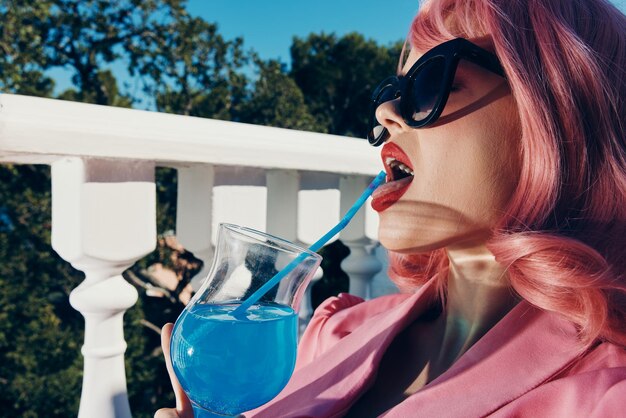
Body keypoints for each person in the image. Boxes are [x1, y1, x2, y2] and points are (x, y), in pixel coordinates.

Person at [155, 0, 626, 416]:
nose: (384, 114)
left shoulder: (603, 399)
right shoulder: (335, 333)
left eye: (429, 83)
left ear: (558, 115)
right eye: (388, 93)